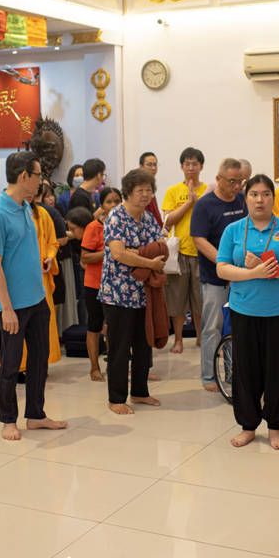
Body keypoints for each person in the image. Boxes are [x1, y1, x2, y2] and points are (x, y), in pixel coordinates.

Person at [216, 174, 279, 449]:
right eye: (254, 194)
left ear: (272, 198)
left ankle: (275, 427)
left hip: (278, 311)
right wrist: (253, 273)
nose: (260, 200)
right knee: (245, 370)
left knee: (276, 370)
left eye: (266, 194)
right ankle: (248, 426)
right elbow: (222, 268)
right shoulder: (233, 230)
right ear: (246, 199)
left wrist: (269, 270)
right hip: (243, 310)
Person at [0, 152, 67, 441]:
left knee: (39, 360)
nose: (41, 181)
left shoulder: (25, 207)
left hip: (37, 298)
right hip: (12, 305)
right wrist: (6, 309)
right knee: (10, 363)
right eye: (38, 175)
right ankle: (8, 420)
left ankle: (35, 415)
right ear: (23, 176)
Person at [99, 169, 166, 415]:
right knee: (119, 347)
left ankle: (139, 392)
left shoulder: (148, 218)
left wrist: (137, 253)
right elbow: (118, 253)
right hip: (117, 293)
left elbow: (160, 247)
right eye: (141, 190)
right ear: (128, 191)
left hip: (143, 292)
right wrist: (148, 261)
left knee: (143, 344)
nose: (146, 194)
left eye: (149, 190)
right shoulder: (116, 216)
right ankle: (116, 398)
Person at [190, 157, 247, 393]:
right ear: (218, 179)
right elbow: (199, 240)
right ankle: (209, 375)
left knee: (237, 327)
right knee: (213, 326)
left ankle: (233, 373)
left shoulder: (242, 200)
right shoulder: (205, 205)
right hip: (215, 278)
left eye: (240, 181)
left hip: (242, 277)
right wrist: (224, 262)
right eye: (232, 181)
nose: (237, 186)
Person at [161, 147, 207, 356]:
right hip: (179, 253)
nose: (191, 168)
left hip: (202, 252)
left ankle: (200, 337)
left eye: (195, 164)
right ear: (181, 167)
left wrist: (198, 201)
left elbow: (211, 218)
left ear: (201, 166)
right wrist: (189, 202)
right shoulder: (172, 191)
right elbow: (168, 221)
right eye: (187, 164)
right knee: (177, 300)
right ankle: (178, 340)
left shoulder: (208, 190)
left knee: (200, 300)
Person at [78, 187, 120, 381]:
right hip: (95, 284)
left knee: (114, 327)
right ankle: (94, 368)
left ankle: (114, 365)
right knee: (95, 326)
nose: (113, 205)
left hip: (118, 284)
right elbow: (85, 257)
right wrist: (108, 252)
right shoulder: (93, 227)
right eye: (109, 201)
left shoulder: (123, 225)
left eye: (116, 201)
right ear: (101, 205)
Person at [30, 184, 64, 367]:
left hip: (41, 275)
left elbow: (53, 242)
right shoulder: (7, 214)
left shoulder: (42, 214)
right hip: (18, 278)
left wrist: (50, 256)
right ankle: (20, 365)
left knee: (43, 320)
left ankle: (41, 363)